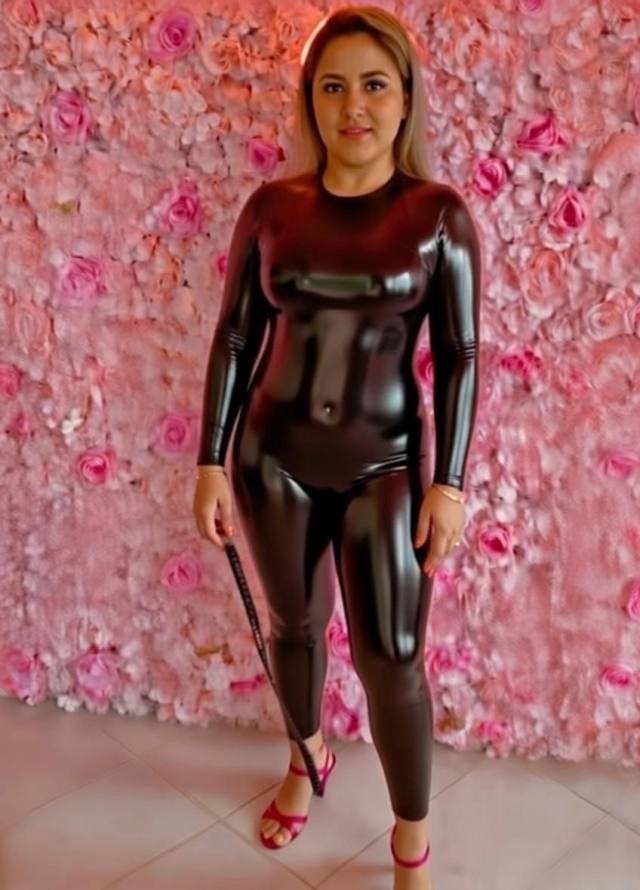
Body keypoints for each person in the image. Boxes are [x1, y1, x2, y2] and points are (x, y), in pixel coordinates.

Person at [193, 6, 481, 889]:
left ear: (405, 99)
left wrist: (449, 485)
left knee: (391, 657)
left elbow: (461, 352)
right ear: (311, 100)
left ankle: (410, 838)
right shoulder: (273, 208)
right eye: (333, 86)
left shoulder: (436, 214)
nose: (353, 106)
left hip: (386, 467)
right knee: (294, 626)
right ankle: (305, 753)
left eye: (374, 85)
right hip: (270, 460)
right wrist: (209, 460)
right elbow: (235, 336)